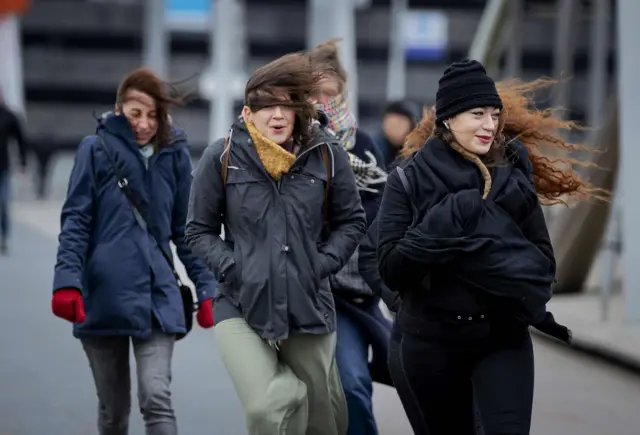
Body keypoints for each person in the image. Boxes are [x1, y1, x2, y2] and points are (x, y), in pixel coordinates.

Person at [376, 60, 601, 435]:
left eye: (494, 115)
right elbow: (392, 268)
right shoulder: (408, 180)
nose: (489, 125)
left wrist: (475, 246)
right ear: (447, 119)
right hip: (430, 344)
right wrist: (446, 222)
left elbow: (543, 265)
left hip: (502, 338)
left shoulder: (513, 174)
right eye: (477, 114)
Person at [185, 52, 366, 435]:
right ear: (248, 112)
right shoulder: (221, 156)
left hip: (308, 301)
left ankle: (304, 396)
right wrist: (234, 267)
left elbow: (352, 221)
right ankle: (289, 391)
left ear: (301, 110)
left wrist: (320, 265)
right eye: (267, 105)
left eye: (287, 104)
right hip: (239, 300)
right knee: (267, 407)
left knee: (324, 421)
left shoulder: (327, 154)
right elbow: (198, 231)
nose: (278, 115)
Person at [51, 67, 217, 435]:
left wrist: (207, 288)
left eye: (153, 115)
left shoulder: (173, 154)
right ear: (118, 109)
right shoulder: (94, 150)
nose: (144, 123)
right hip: (102, 294)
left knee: (156, 398)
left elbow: (186, 230)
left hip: (157, 296)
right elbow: (76, 222)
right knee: (114, 413)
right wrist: (66, 283)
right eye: (135, 113)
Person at [307, 38, 392, 435]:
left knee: (354, 385)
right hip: (301, 292)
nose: (323, 102)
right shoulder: (288, 142)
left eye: (330, 93)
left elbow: (376, 217)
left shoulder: (365, 147)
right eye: (314, 94)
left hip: (351, 296)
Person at [0, 91, 28, 254]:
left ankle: (4, 235)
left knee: (3, 203)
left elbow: (20, 139)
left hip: (2, 167)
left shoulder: (9, 117)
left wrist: (22, 162)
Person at [375, 100, 419, 171]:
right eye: (392, 124)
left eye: (400, 124)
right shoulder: (375, 152)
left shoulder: (420, 152)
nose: (396, 129)